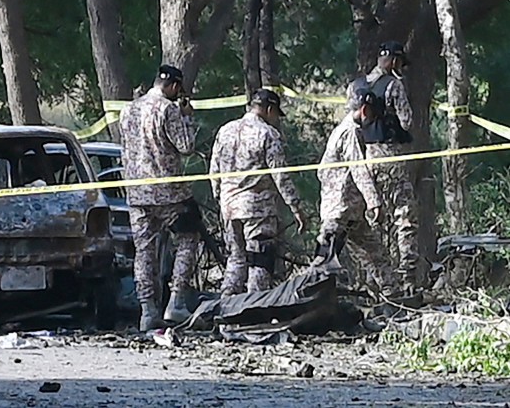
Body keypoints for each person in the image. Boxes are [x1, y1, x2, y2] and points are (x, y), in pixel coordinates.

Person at [119, 64, 199, 331]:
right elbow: (186, 147)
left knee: (143, 251)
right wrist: (187, 117)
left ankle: (147, 310)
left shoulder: (128, 109)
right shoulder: (168, 109)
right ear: (175, 87)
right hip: (167, 192)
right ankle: (176, 300)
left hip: (137, 193)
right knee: (189, 238)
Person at [210, 89, 307, 297]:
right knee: (260, 260)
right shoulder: (267, 134)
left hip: (229, 207)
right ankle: (255, 306)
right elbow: (280, 175)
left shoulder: (225, 130)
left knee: (236, 258)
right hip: (257, 208)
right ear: (269, 109)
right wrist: (296, 207)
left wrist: (220, 197)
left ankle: (226, 305)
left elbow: (214, 171)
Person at [346, 40, 420, 292]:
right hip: (392, 157)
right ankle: (407, 278)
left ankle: (372, 282)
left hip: (364, 158)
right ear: (396, 61)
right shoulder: (394, 85)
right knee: (404, 216)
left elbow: (352, 122)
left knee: (373, 219)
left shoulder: (355, 87)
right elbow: (407, 122)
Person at [316, 88, 395, 296]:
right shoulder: (350, 131)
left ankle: (393, 297)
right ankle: (308, 299)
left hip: (351, 212)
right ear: (365, 110)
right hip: (339, 211)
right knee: (324, 261)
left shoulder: (348, 130)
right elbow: (359, 169)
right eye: (374, 114)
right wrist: (374, 202)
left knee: (376, 255)